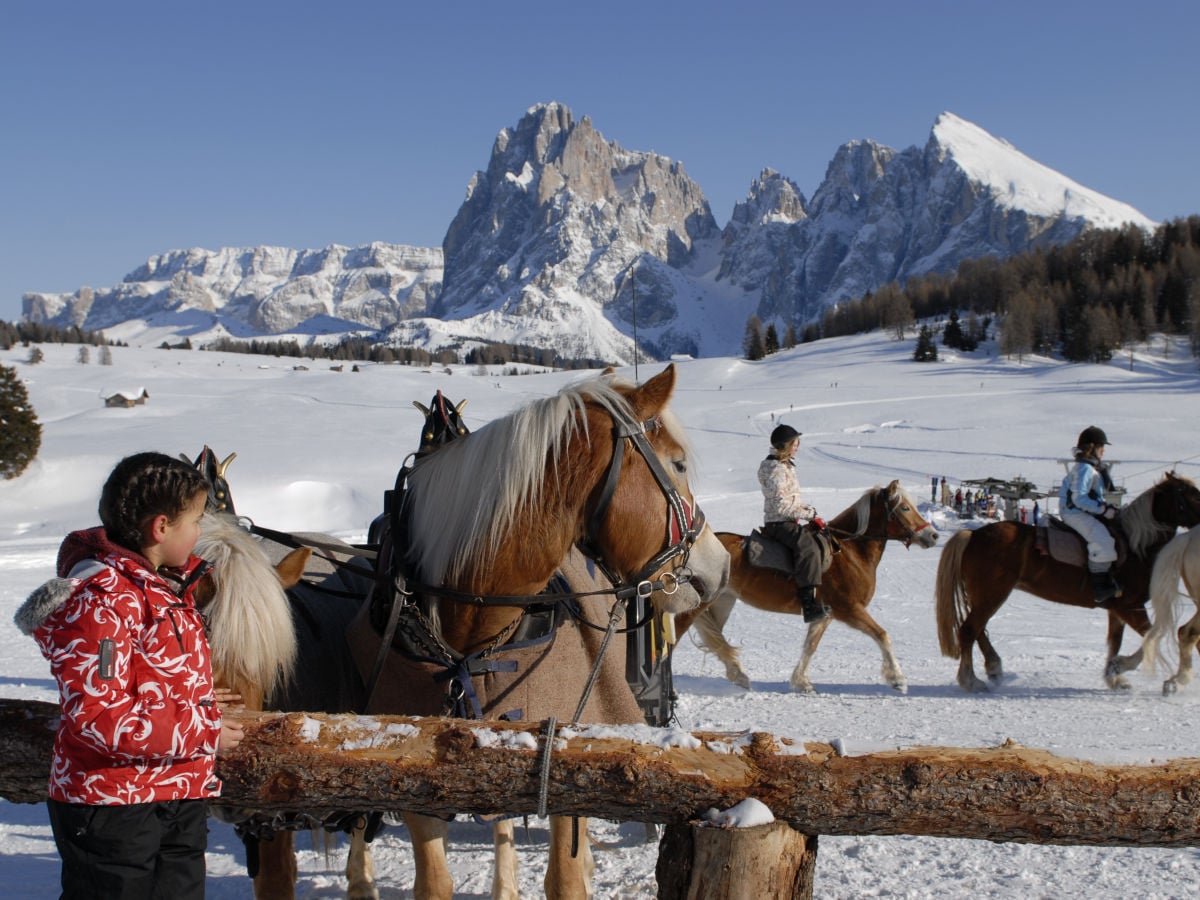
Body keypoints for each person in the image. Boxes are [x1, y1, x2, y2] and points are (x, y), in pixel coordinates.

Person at [14, 452, 244, 899]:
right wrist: (201, 729)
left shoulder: (162, 587)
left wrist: (189, 691)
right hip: (113, 803)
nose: (199, 534)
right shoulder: (101, 600)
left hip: (174, 791)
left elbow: (141, 671)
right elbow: (99, 714)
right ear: (161, 528)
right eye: (195, 521)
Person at [758, 424, 830, 622]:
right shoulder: (775, 469)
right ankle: (808, 605)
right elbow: (782, 506)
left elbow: (791, 501)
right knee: (808, 547)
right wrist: (810, 514)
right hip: (779, 522)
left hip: (788, 520)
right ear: (784, 445)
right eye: (794, 442)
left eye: (797, 442)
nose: (798, 445)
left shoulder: (784, 465)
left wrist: (808, 512)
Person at [1058, 426, 1121, 606]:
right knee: (1103, 541)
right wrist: (1103, 510)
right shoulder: (1085, 468)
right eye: (1102, 446)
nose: (1104, 450)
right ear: (1093, 447)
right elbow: (1079, 498)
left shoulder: (1091, 467)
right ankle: (1099, 588)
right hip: (1074, 512)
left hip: (1083, 511)